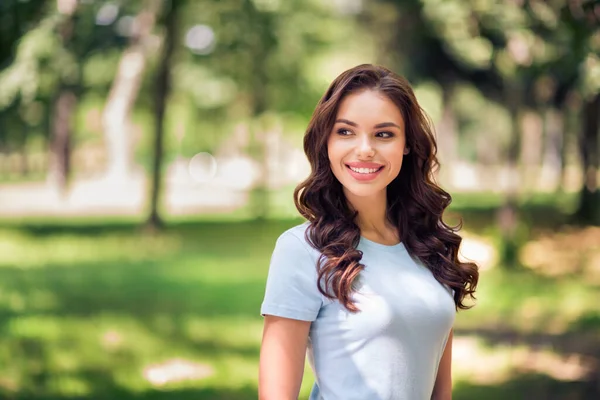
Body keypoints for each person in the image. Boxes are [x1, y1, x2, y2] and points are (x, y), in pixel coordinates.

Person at [258, 64, 479, 400]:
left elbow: (439, 389)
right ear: (326, 141)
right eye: (345, 132)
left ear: (406, 144)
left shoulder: (429, 244)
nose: (365, 149)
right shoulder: (302, 250)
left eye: (384, 134)